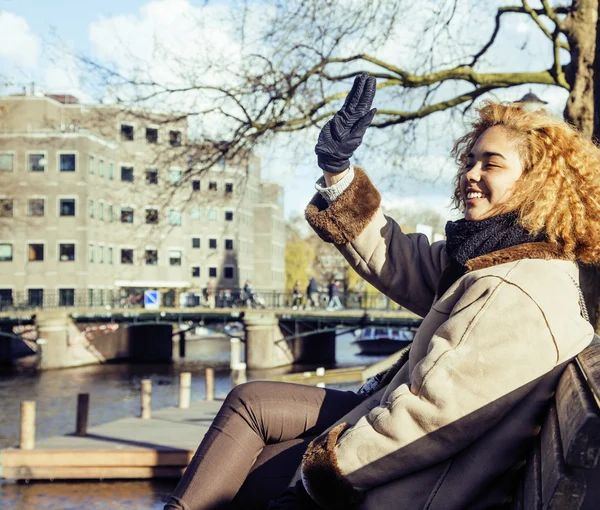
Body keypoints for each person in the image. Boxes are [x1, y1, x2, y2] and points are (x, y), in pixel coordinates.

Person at [164, 74, 599, 510]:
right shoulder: (500, 257)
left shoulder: (513, 288)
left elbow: (430, 417)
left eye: (491, 163)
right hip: (409, 459)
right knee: (252, 405)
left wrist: (315, 480)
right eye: (469, 160)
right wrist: (337, 171)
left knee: (257, 453)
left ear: (537, 183)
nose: (470, 173)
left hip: (414, 489)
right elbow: (402, 259)